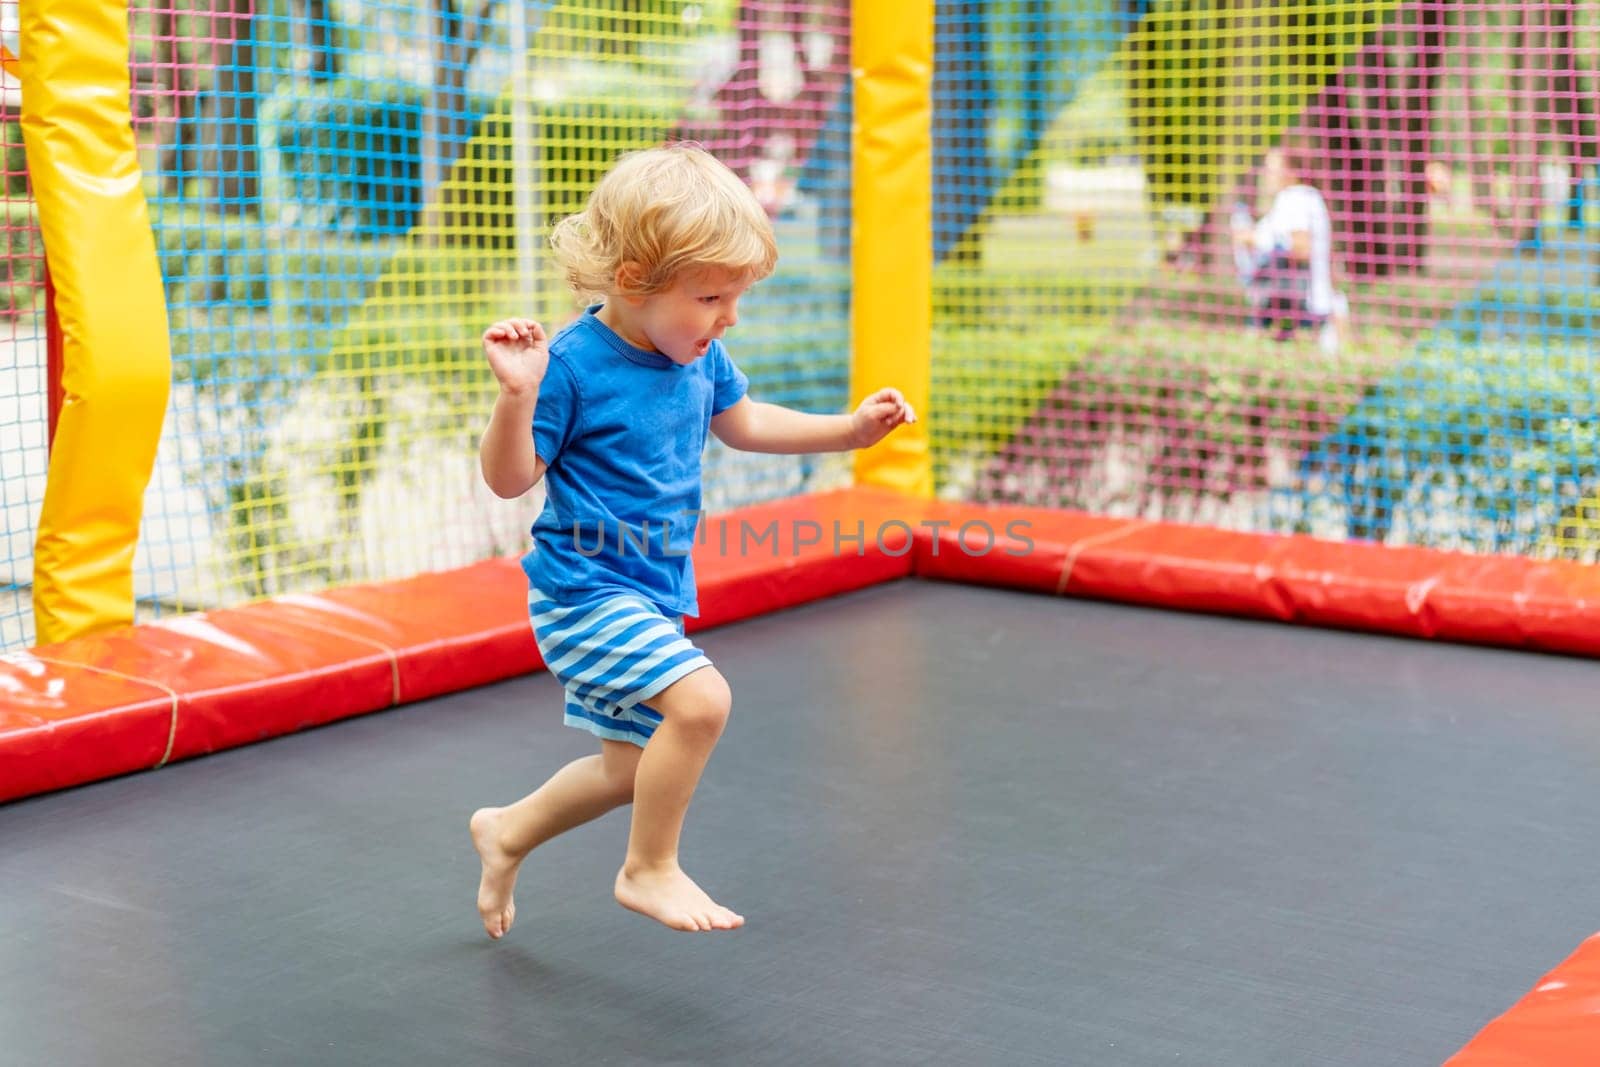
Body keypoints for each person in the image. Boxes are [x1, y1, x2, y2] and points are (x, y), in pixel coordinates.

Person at [470, 143, 916, 937]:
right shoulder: (571, 366)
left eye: (735, 297)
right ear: (636, 278)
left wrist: (849, 430)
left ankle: (506, 830)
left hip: (654, 593)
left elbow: (745, 423)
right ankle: (648, 868)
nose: (728, 316)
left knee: (630, 771)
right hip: (583, 594)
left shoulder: (697, 352)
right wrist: (516, 397)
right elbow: (510, 479)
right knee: (702, 701)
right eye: (711, 295)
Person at [1231, 143, 1348, 353]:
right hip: (1309, 303)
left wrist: (1258, 241)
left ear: (1291, 171)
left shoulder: (1295, 197)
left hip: (1301, 307)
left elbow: (1302, 249)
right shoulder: (1303, 197)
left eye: (1272, 167)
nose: (1266, 174)